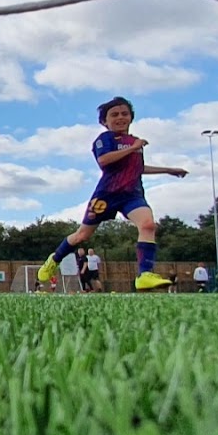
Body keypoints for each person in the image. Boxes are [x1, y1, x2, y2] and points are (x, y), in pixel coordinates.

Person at [37, 97, 189, 292]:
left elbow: (137, 168)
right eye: (114, 114)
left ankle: (144, 275)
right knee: (82, 235)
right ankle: (54, 259)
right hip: (107, 194)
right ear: (104, 121)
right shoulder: (105, 139)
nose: (120, 117)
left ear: (131, 118)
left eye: (124, 113)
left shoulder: (134, 142)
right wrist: (133, 148)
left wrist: (168, 170)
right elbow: (104, 161)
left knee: (148, 225)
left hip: (132, 195)